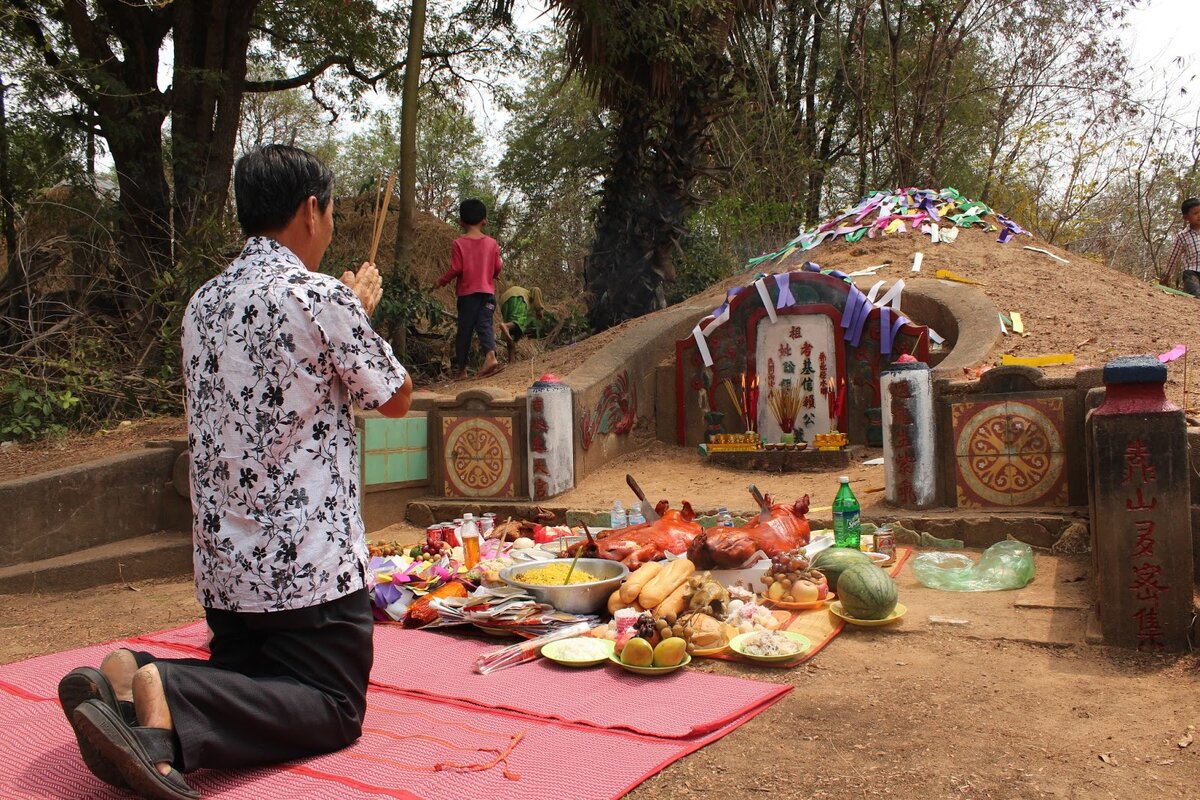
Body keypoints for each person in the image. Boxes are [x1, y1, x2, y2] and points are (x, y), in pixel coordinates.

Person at [56, 144, 413, 800]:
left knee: (254, 687)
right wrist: (355, 310)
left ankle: (129, 674)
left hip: (226, 578)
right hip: (307, 579)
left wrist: (345, 314)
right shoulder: (319, 295)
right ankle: (166, 690)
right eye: (329, 212)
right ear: (311, 210)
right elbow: (394, 397)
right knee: (333, 706)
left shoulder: (204, 303)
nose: (329, 226)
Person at [435, 198, 503, 379]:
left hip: (467, 296)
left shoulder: (459, 243)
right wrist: (492, 275)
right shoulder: (492, 243)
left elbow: (456, 268)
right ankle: (490, 356)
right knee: (485, 324)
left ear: (461, 222)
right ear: (484, 221)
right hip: (487, 293)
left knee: (464, 330)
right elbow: (498, 267)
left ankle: (462, 370)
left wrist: (442, 281)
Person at [1162, 197, 1200, 297]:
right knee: (1196, 296)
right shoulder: (1182, 236)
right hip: (1192, 272)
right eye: (1195, 213)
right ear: (1186, 218)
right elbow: (1173, 257)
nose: (1199, 215)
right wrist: (1166, 276)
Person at [498, 285, 546, 363]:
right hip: (517, 297)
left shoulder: (526, 298)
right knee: (519, 321)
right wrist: (539, 310)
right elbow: (536, 289)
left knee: (511, 334)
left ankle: (511, 360)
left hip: (504, 302)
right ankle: (506, 325)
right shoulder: (528, 294)